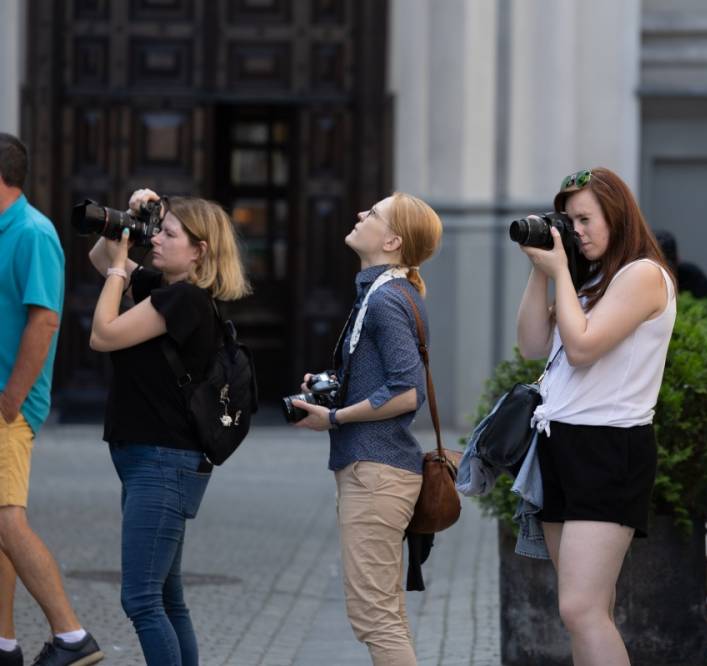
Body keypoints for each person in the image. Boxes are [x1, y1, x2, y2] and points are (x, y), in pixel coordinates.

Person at [515, 167, 675, 665]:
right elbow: (530, 345)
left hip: (610, 447)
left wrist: (561, 271)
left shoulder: (642, 275)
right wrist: (543, 270)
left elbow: (582, 348)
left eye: (585, 219)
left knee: (582, 608)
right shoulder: (593, 280)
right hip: (561, 443)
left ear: (618, 215)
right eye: (568, 220)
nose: (575, 231)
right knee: (586, 610)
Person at [88, 189, 251, 665]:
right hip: (154, 461)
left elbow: (103, 335)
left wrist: (121, 268)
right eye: (158, 229)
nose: (156, 238)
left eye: (168, 233)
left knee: (140, 598)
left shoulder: (185, 300)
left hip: (161, 463)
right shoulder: (172, 290)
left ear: (199, 250)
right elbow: (102, 257)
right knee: (166, 598)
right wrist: (129, 220)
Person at [290, 192, 442, 666]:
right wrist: (334, 390)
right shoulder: (386, 292)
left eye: (373, 213)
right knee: (384, 615)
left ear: (393, 240)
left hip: (377, 474)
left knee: (374, 617)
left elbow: (406, 392)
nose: (360, 214)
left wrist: (335, 416)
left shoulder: (387, 300)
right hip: (376, 471)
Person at [0, 133, 103, 666]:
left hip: (6, 406)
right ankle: (5, 644)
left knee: (6, 519)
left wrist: (12, 399)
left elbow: (44, 318)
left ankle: (71, 637)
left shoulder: (33, 233)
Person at [655, 229, 707, 300]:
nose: (666, 272)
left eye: (668, 265)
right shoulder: (642, 282)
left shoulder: (693, 277)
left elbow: (702, 306)